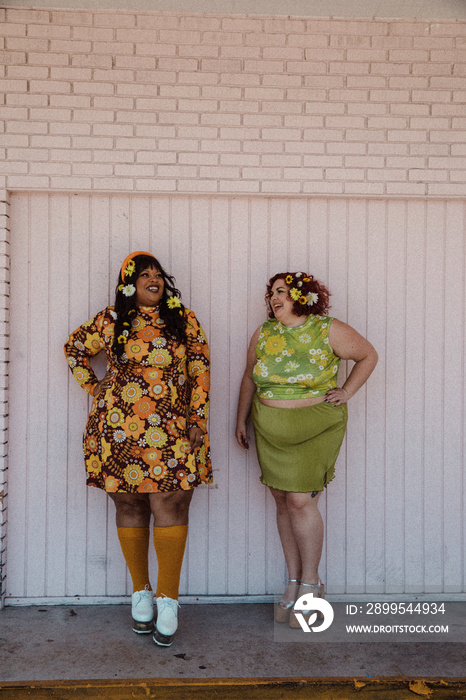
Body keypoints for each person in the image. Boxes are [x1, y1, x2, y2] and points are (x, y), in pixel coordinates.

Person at [64, 251, 211, 646]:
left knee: (171, 503)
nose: (153, 279)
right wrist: (95, 388)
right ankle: (141, 593)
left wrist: (198, 417)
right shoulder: (110, 320)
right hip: (118, 429)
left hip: (173, 427)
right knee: (129, 503)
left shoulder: (184, 320)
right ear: (129, 284)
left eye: (158, 274)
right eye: (144, 274)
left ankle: (168, 598)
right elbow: (74, 349)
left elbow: (199, 368)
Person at [235, 272, 377, 627]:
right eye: (271, 293)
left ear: (302, 295)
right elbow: (250, 375)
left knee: (301, 500)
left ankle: (312, 583)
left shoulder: (328, 329)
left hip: (315, 427)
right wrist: (240, 420)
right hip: (269, 428)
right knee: (282, 499)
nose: (273, 298)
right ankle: (294, 580)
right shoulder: (264, 333)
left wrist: (346, 391)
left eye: (281, 291)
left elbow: (368, 355)